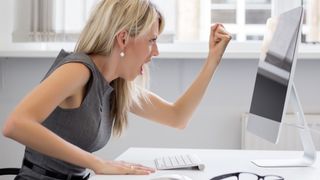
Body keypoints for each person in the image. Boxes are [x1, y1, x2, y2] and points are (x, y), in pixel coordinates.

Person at [2, 0, 231, 179]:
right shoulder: (78, 70)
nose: (156, 52)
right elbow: (15, 124)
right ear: (123, 38)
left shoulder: (114, 84)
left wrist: (213, 61)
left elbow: (177, 117)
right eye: (151, 40)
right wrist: (97, 163)